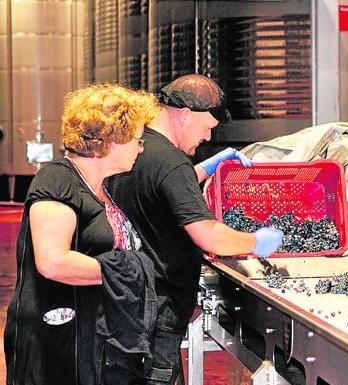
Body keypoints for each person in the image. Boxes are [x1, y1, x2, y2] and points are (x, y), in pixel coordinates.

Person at [105, 74, 284, 384]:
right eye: (207, 129)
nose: (207, 138)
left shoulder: (137, 149)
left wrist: (203, 169)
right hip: (158, 313)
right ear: (185, 115)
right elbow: (208, 234)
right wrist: (256, 240)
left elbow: (158, 191)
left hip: (129, 305)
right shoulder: (172, 163)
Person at [4, 83, 161, 385]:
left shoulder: (104, 186)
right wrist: (133, 274)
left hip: (92, 338)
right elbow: (52, 262)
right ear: (112, 140)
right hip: (58, 341)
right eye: (138, 140)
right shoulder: (57, 181)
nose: (141, 148)